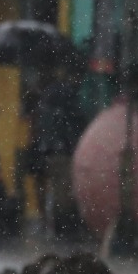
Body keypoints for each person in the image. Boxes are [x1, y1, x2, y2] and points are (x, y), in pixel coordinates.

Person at [34, 62, 88, 237]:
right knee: (63, 194)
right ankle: (63, 231)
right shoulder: (67, 95)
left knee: (57, 190)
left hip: (49, 149)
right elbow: (72, 124)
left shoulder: (50, 93)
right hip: (62, 151)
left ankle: (55, 227)